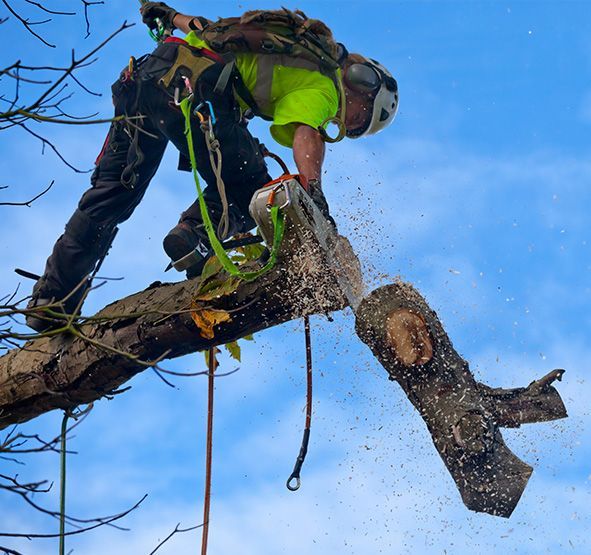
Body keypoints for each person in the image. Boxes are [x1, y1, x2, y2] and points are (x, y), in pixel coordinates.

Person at [25, 3, 399, 332]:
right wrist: (313, 192)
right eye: (358, 120)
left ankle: (52, 302)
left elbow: (201, 27)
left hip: (145, 79)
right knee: (253, 191)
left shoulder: (280, 42)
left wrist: (168, 15)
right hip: (195, 91)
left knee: (108, 198)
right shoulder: (324, 84)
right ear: (361, 89)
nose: (347, 122)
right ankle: (193, 235)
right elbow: (307, 132)